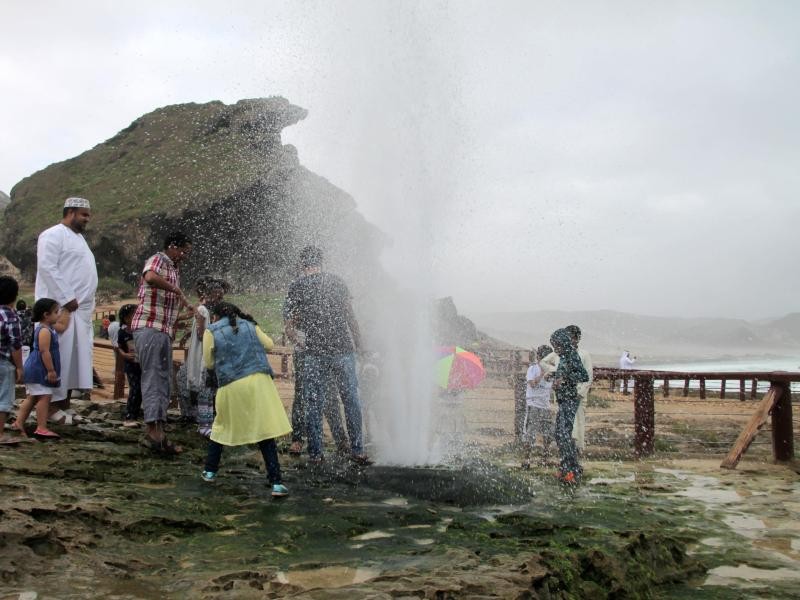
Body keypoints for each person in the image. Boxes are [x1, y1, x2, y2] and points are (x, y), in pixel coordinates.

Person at [284, 245, 370, 465]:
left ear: (303, 264)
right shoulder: (337, 281)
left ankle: (315, 454)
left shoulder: (297, 286)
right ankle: (357, 450)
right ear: (321, 262)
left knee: (314, 402)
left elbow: (289, 326)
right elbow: (350, 316)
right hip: (343, 350)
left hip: (314, 353)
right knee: (351, 400)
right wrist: (359, 345)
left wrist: (301, 343)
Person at [201, 302, 291, 497]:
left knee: (220, 427)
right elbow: (269, 344)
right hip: (259, 382)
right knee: (265, 431)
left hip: (231, 384)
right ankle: (276, 483)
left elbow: (208, 363)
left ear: (215, 316)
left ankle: (209, 472)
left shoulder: (211, 331)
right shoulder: (250, 325)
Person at [34, 197, 98, 423]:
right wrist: (67, 298)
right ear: (70, 212)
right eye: (84, 215)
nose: (87, 219)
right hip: (61, 309)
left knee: (74, 361)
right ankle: (49, 409)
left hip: (79, 312)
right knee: (58, 357)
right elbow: (48, 268)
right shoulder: (52, 235)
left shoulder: (79, 239)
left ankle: (64, 405)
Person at [130, 231, 193, 454]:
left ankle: (158, 430)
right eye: (184, 250)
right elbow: (150, 277)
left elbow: (169, 309)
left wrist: (186, 314)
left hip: (163, 330)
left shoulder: (175, 270)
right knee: (154, 376)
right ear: (173, 247)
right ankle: (153, 433)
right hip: (149, 327)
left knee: (164, 378)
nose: (185, 255)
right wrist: (175, 289)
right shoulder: (159, 259)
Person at [15, 299, 72, 438]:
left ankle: (18, 423)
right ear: (46, 315)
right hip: (38, 370)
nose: (58, 315)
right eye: (56, 312)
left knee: (33, 397)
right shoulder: (44, 331)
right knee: (45, 396)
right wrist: (51, 370)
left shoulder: (48, 329)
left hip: (36, 369)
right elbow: (44, 351)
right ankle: (41, 427)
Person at [550, 328, 589, 484]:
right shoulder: (564, 357)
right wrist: (553, 376)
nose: (555, 350)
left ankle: (570, 470)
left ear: (563, 344)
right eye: (553, 346)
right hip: (562, 399)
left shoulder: (571, 355)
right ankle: (571, 466)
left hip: (570, 400)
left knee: (564, 434)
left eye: (556, 346)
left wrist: (564, 378)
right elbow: (563, 375)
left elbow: (583, 375)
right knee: (559, 434)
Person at [521, 344, 555, 468]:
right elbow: (533, 384)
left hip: (545, 406)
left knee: (548, 434)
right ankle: (526, 460)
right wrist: (542, 373)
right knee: (530, 434)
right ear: (539, 357)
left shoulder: (552, 370)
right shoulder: (533, 369)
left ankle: (544, 459)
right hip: (533, 405)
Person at [0, 277, 24, 444]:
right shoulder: (10, 316)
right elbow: (15, 344)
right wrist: (19, 367)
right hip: (3, 362)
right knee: (3, 398)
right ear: (14, 296)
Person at [565, 325, 592, 453]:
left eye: (572, 337)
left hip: (578, 395)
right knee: (566, 424)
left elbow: (588, 376)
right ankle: (567, 453)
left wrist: (579, 393)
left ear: (577, 338)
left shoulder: (584, 354)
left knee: (579, 422)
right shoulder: (563, 354)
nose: (570, 340)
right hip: (564, 395)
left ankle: (577, 451)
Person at [116, 304, 142, 427]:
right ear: (126, 318)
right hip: (131, 366)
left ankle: (136, 414)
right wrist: (125, 355)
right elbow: (119, 348)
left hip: (142, 364)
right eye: (135, 315)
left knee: (142, 390)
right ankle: (129, 415)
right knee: (135, 389)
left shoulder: (141, 329)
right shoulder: (123, 332)